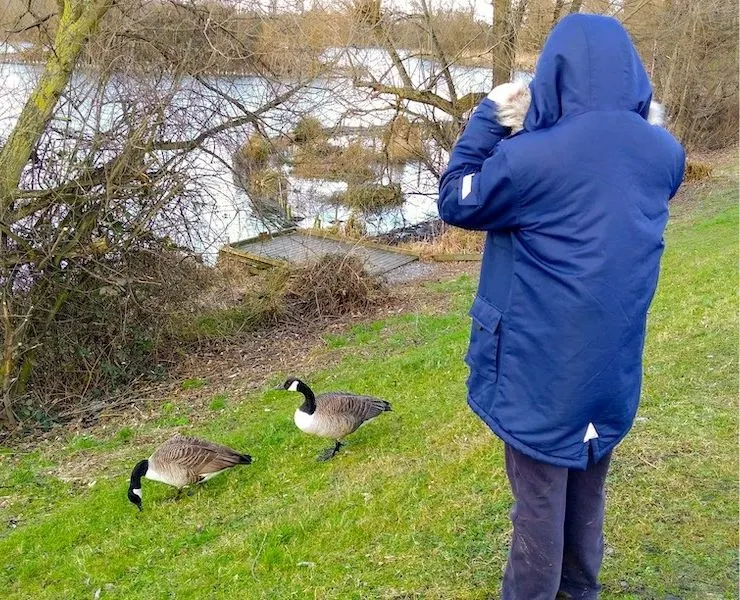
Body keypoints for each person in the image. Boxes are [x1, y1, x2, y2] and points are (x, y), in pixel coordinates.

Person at [437, 13, 685, 600]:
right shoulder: (664, 153)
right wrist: (639, 123)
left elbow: (457, 199)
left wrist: (491, 119)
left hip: (540, 375)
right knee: (586, 491)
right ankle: (581, 592)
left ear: (553, 75)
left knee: (539, 510)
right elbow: (621, 177)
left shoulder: (530, 160)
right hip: (610, 372)